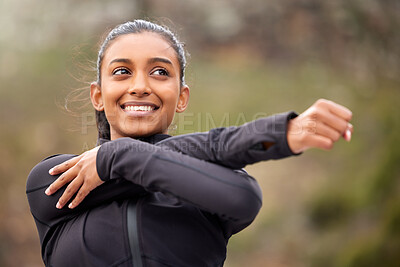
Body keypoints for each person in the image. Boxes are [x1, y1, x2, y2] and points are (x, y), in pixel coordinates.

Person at [26, 20, 353, 267]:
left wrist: (116, 156)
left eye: (159, 72)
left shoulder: (209, 185)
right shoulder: (55, 179)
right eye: (122, 71)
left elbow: (244, 198)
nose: (140, 86)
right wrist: (275, 136)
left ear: (181, 97)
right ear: (98, 95)